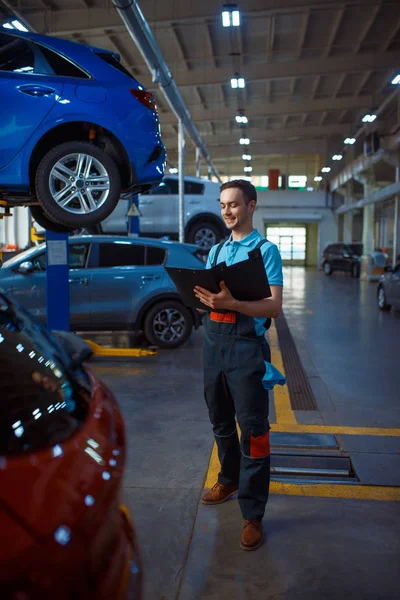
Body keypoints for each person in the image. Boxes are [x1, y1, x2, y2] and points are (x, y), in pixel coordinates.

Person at [194, 179, 283, 552]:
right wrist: (199, 298)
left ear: (251, 206)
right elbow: (212, 301)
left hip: (246, 351)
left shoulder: (266, 251)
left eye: (234, 204)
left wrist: (232, 304)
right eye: (222, 205)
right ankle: (229, 479)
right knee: (220, 422)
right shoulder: (214, 252)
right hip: (214, 347)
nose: (227, 211)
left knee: (253, 432)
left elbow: (274, 307)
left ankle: (253, 514)